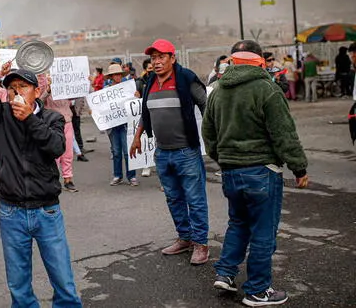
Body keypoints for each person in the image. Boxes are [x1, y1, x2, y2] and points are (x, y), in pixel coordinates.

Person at [0, 29, 82, 308]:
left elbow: (56, 147)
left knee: (63, 282)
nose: (15, 92)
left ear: (37, 91)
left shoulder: (52, 118)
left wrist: (29, 121)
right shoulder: (0, 117)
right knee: (19, 285)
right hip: (11, 212)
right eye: (10, 88)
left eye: (22, 87)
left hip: (47, 210)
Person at [202, 40, 309, 307]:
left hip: (230, 172)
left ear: (233, 61)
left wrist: (223, 159)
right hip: (262, 171)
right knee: (263, 231)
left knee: (238, 223)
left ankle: (226, 273)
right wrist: (299, 167)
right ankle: (258, 290)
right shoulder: (267, 89)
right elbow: (284, 134)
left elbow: (208, 134)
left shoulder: (217, 92)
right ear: (260, 61)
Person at [129, 39, 209, 265]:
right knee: (173, 198)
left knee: (195, 200)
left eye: (161, 57)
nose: (156, 62)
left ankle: (201, 244)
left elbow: (207, 106)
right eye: (153, 58)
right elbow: (146, 113)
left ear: (172, 58)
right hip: (162, 153)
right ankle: (185, 239)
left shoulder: (186, 78)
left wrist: (213, 134)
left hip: (187, 152)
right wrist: (137, 137)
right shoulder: (150, 82)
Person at [39, 74, 79, 192]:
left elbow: (75, 97)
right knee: (54, 153)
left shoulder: (65, 79)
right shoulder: (42, 80)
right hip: (53, 123)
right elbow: (39, 101)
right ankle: (52, 179)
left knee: (68, 153)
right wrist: (48, 90)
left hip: (67, 121)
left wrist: (82, 83)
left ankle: (68, 179)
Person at [104, 63, 138, 186]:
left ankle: (131, 176)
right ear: (111, 76)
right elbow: (101, 106)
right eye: (115, 75)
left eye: (119, 74)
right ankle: (117, 175)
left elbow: (134, 102)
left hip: (125, 124)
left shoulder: (127, 88)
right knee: (116, 151)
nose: (118, 76)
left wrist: (136, 97)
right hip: (113, 125)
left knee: (127, 151)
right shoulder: (106, 90)